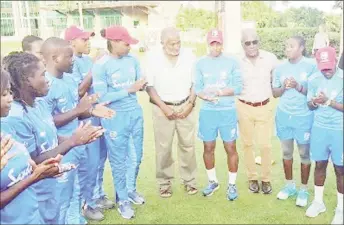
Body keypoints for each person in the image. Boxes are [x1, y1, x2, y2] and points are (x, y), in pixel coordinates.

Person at [4, 52, 105, 223]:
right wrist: (73, 141)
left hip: (53, 186)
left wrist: (78, 137)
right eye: (43, 74)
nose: (48, 79)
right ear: (26, 80)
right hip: (35, 195)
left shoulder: (39, 103)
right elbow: (30, 160)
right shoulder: (15, 117)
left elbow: (50, 137)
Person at [41, 37, 113, 224]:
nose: (73, 59)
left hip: (80, 142)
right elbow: (47, 123)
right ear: (55, 57)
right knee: (63, 196)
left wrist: (91, 111)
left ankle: (79, 217)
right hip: (61, 148)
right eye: (68, 56)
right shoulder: (44, 86)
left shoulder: (70, 79)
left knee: (79, 187)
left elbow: (75, 111)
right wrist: (79, 111)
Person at [92, 25, 146, 219]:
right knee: (118, 161)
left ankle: (130, 189)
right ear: (113, 43)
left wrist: (141, 85)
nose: (129, 47)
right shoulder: (101, 65)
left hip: (135, 113)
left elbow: (141, 82)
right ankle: (122, 199)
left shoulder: (133, 60)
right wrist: (129, 90)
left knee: (137, 156)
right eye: (126, 43)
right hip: (114, 117)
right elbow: (101, 97)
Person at [64, 25, 114, 222]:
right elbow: (79, 91)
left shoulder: (85, 59)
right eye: (83, 39)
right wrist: (95, 67)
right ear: (71, 42)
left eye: (88, 39)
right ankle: (85, 204)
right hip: (83, 119)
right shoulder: (70, 63)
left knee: (101, 159)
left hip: (96, 115)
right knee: (88, 164)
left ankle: (97, 194)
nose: (88, 42)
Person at [0, 68, 62, 224]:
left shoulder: (5, 132)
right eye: (4, 94)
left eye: (9, 92)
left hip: (32, 216)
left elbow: (23, 169)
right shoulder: (14, 119)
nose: (10, 99)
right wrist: (35, 177)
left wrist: (41, 170)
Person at [145, 27, 198, 198]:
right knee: (163, 148)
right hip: (162, 107)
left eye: (178, 42)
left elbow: (196, 83)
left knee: (188, 146)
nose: (176, 47)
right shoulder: (152, 57)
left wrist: (190, 103)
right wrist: (164, 107)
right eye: (171, 43)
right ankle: (164, 183)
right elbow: (149, 87)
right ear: (162, 43)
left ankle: (190, 181)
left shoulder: (189, 55)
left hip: (185, 106)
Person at [194, 29, 242, 200]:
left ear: (222, 44)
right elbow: (197, 88)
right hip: (208, 112)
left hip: (227, 111)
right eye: (212, 43)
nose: (215, 47)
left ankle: (232, 184)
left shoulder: (232, 62)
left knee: (230, 148)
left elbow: (238, 87)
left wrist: (219, 93)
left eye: (218, 43)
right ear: (208, 44)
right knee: (208, 147)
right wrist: (205, 96)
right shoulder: (200, 63)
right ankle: (213, 181)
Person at [272, 36, 317, 207]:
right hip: (284, 115)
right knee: (286, 153)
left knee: (304, 154)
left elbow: (314, 93)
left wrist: (298, 86)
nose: (287, 49)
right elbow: (275, 93)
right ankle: (289, 186)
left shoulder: (311, 66)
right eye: (286, 46)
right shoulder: (280, 68)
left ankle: (303, 189)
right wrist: (284, 87)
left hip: (304, 117)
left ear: (302, 48)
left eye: (291, 46)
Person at [237, 28, 279, 194]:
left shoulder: (270, 58)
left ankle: (266, 179)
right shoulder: (237, 62)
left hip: (264, 106)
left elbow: (277, 78)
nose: (252, 45)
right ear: (243, 45)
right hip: (243, 106)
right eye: (248, 43)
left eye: (255, 42)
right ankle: (252, 178)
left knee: (265, 145)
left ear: (259, 42)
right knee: (247, 144)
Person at [305, 47, 343, 225]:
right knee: (319, 165)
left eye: (329, 67)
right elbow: (309, 106)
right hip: (319, 129)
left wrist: (328, 101)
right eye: (323, 67)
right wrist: (314, 101)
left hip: (339, 129)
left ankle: (341, 208)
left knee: (340, 169)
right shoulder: (314, 79)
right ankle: (318, 202)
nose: (326, 71)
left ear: (335, 61)